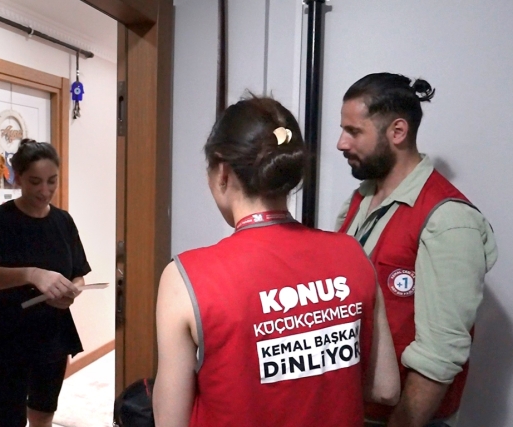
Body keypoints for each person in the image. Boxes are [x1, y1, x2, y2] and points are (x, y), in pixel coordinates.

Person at [153, 95, 400, 427]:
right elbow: (385, 388)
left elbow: (170, 420)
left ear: (222, 172)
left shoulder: (186, 278)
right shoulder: (352, 254)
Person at [335, 73, 498, 427]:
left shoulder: (448, 220)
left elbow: (439, 357)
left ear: (397, 132)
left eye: (354, 131)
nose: (340, 143)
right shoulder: (361, 199)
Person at [0, 139, 90, 427]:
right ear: (18, 178)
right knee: (9, 419)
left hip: (52, 335)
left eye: (52, 181)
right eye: (35, 182)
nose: (45, 190)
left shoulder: (63, 222)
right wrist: (31, 274)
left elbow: (78, 273)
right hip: (6, 337)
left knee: (43, 413)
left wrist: (71, 291)